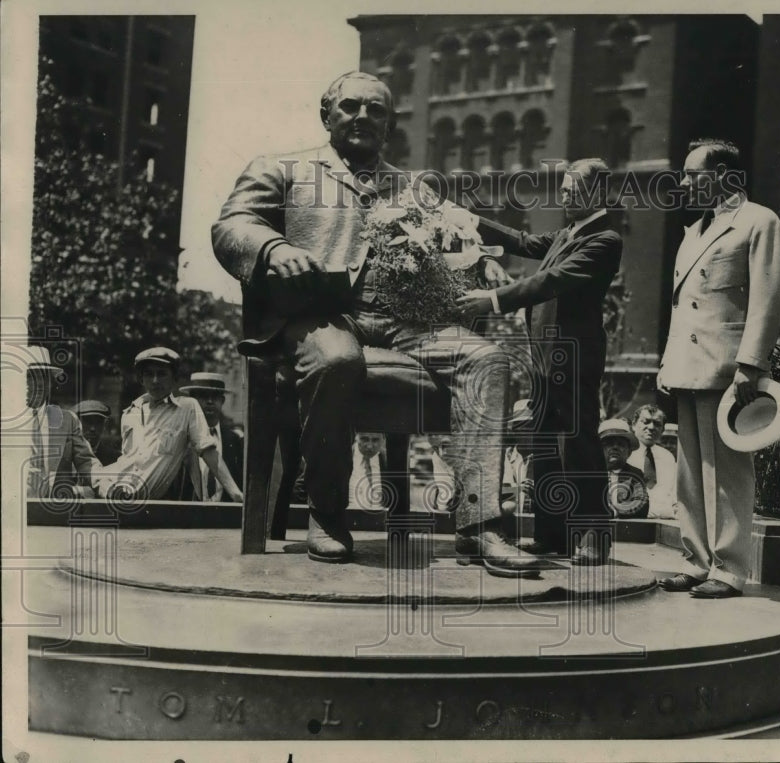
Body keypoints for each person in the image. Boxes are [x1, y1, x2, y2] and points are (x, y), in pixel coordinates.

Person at [212, 71, 543, 576]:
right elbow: (232, 225)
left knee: (487, 359)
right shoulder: (284, 169)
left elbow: (464, 227)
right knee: (337, 360)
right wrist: (273, 247)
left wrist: (485, 257)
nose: (363, 116)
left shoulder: (411, 187)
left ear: (390, 125)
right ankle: (326, 512)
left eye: (377, 110)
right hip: (319, 314)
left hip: (402, 321)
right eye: (350, 106)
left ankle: (481, 526)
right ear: (327, 114)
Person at [459, 158, 622, 565]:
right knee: (547, 442)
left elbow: (550, 281)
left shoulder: (604, 239)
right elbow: (522, 241)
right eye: (564, 186)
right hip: (547, 356)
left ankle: (593, 535)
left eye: (572, 187)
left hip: (575, 355)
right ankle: (552, 534)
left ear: (598, 193)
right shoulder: (570, 233)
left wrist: (494, 299)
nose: (563, 193)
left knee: (578, 442)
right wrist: (463, 218)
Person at [657, 138, 780, 599]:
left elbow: (768, 297)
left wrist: (752, 363)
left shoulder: (758, 221)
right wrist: (667, 361)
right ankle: (696, 560)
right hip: (688, 365)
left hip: (728, 366)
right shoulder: (694, 230)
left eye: (693, 173)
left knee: (728, 470)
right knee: (689, 469)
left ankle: (730, 568)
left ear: (724, 175)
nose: (685, 182)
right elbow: (684, 309)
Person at [92, 348, 243, 502]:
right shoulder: (130, 413)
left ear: (174, 377)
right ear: (141, 379)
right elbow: (128, 459)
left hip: (139, 501)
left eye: (162, 373)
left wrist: (235, 492)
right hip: (111, 490)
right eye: (149, 374)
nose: (155, 380)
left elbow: (208, 451)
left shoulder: (186, 407)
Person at [23, 347, 100, 498]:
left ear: (50, 382)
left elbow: (87, 463)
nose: (35, 384)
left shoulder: (67, 420)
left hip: (53, 512)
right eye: (27, 377)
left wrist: (108, 485)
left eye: (42, 377)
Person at [177, 372, 245, 502]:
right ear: (192, 400)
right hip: (188, 516)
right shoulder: (181, 439)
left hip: (225, 517)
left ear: (222, 401)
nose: (209, 401)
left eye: (215, 397)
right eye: (203, 396)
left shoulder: (235, 440)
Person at [626, 404, 679, 518]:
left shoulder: (667, 456)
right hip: (634, 519)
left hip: (665, 519)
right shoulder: (626, 454)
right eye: (646, 422)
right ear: (634, 425)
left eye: (657, 424)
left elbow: (674, 493)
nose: (651, 427)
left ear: (662, 430)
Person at [599, 419, 650, 519]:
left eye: (621, 444)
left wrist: (614, 512)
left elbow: (641, 504)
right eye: (609, 443)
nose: (615, 448)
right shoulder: (592, 473)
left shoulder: (635, 474)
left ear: (629, 452)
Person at [73, 400, 121, 466]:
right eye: (88, 422)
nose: (92, 428)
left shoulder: (116, 459)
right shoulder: (65, 456)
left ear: (105, 425)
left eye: (98, 423)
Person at [347, 432, 387, 511]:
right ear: (356, 437)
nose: (369, 446)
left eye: (375, 440)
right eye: (364, 439)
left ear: (383, 440)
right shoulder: (344, 456)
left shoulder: (387, 459)